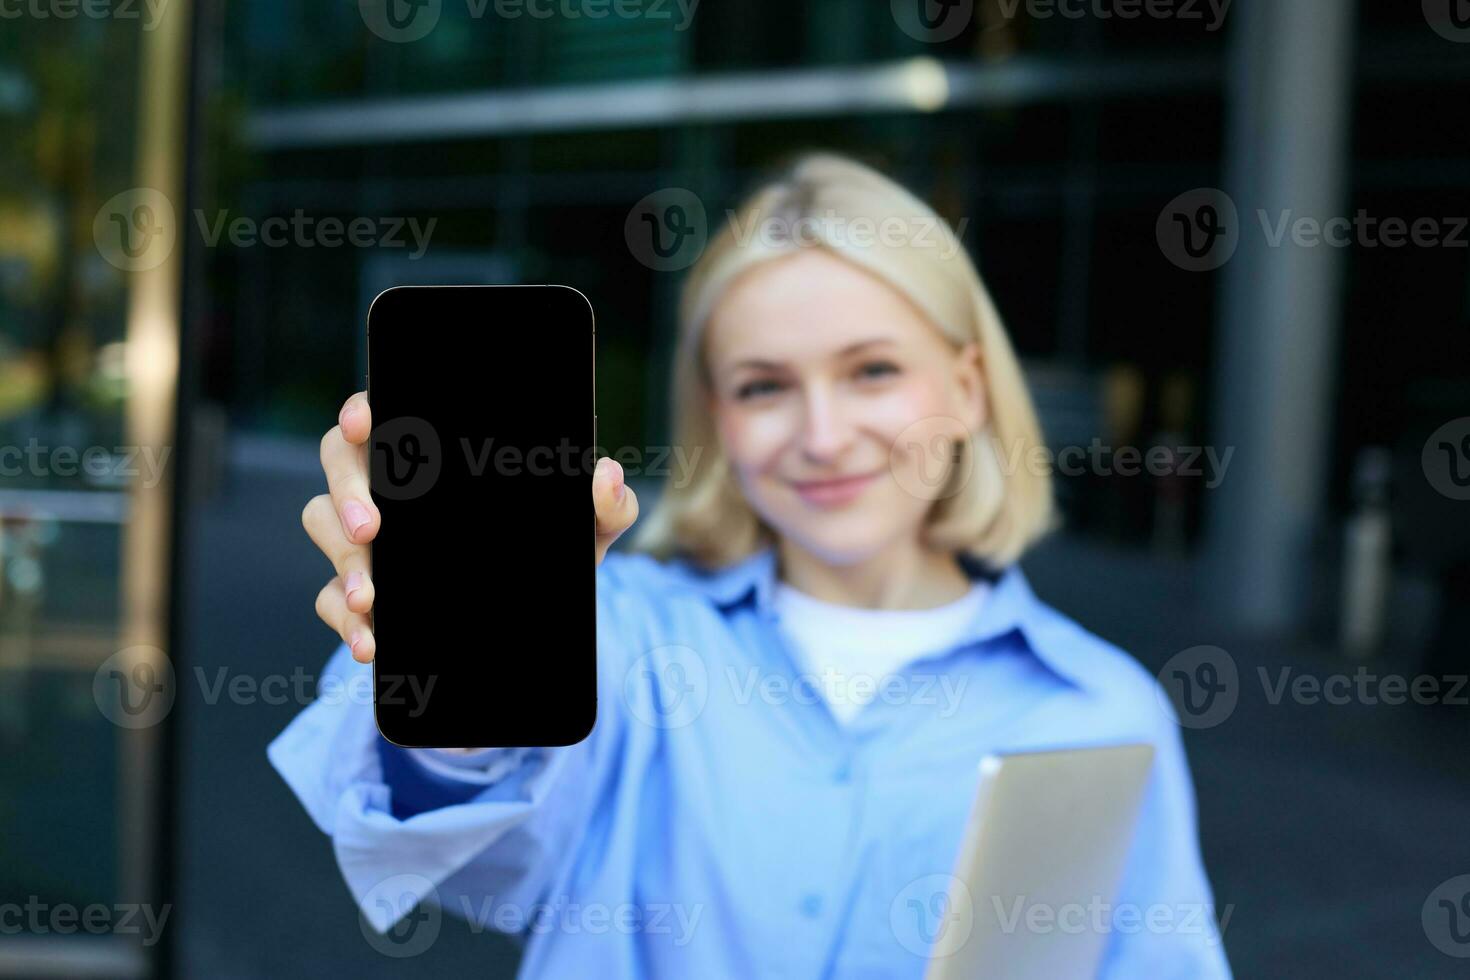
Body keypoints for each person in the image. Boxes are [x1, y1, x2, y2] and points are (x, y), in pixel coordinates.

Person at [273, 153, 1232, 978]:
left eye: (872, 371)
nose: (822, 435)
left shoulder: (1105, 709)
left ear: (969, 387)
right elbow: (454, 847)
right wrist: (446, 654)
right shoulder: (619, 633)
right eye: (763, 385)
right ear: (717, 420)